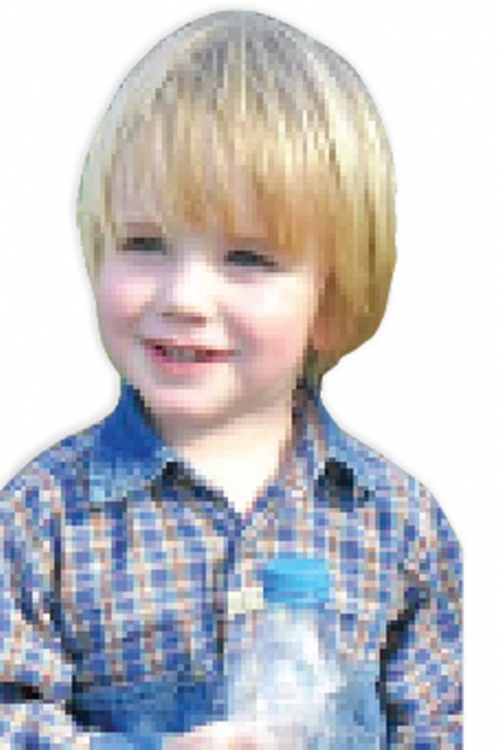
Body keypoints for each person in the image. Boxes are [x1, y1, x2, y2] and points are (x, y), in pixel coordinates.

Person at [0, 10, 462, 748]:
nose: (183, 298)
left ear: (330, 303)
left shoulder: (400, 528)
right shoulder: (41, 520)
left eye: (247, 258)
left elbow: (442, 726)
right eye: (145, 243)